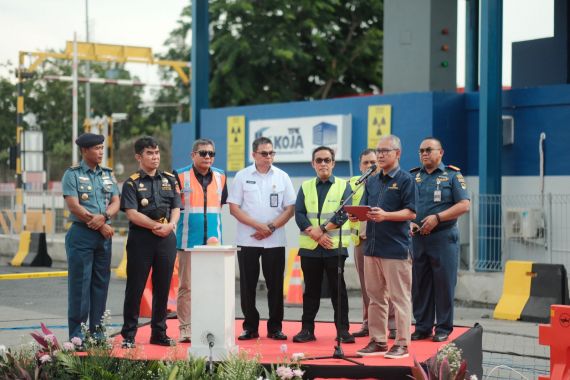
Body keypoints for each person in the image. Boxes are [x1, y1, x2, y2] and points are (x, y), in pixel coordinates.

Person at [355, 135, 417, 359]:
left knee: (399, 299)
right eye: (378, 151)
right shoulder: (371, 180)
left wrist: (386, 216)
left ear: (397, 154)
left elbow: (411, 212)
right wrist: (356, 215)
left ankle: (402, 343)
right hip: (371, 248)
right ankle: (378, 340)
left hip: (395, 249)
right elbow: (363, 206)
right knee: (375, 297)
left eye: (385, 151)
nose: (380, 155)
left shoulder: (405, 180)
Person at [228, 136, 296, 341]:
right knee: (247, 285)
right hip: (247, 239)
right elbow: (233, 208)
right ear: (254, 155)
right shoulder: (242, 176)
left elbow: (290, 208)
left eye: (271, 153)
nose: (268, 157)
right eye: (264, 153)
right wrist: (258, 226)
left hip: (274, 240)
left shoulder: (282, 176)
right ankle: (250, 326)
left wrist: (271, 227)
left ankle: (275, 327)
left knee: (275, 285)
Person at [120, 136, 181, 348]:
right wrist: (155, 226)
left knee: (163, 287)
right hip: (141, 239)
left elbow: (176, 208)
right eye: (150, 153)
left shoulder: (170, 179)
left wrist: (171, 225)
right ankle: (128, 335)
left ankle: (159, 332)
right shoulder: (131, 183)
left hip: (166, 238)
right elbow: (132, 214)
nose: (155, 157)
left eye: (157, 153)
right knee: (135, 287)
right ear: (139, 157)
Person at [292, 146, 355, 344]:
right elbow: (299, 214)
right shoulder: (306, 186)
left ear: (333, 163)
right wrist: (317, 235)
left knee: (338, 291)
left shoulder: (344, 186)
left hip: (334, 248)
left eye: (327, 160)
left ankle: (343, 331)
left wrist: (323, 230)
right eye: (319, 160)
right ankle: (307, 330)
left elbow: (344, 213)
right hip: (311, 248)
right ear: (313, 164)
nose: (323, 164)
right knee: (310, 291)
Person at [410, 137, 470, 343]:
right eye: (421, 150)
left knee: (444, 284)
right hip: (418, 239)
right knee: (420, 284)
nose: (424, 153)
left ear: (441, 152)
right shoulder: (412, 177)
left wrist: (438, 218)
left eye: (429, 149)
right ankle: (423, 326)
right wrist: (409, 222)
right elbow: (405, 206)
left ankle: (443, 327)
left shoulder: (452, 175)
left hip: (444, 238)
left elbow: (464, 205)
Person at [62, 133, 120, 341]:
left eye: (102, 148)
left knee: (100, 284)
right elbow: (74, 205)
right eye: (96, 148)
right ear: (84, 150)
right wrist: (99, 225)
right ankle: (77, 336)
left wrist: (104, 218)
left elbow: (116, 201)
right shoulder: (73, 174)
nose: (100, 152)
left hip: (103, 234)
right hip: (82, 234)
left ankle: (97, 333)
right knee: (80, 285)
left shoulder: (107, 174)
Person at [174, 138, 228, 343]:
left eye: (211, 154)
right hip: (188, 240)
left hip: (214, 243)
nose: (207, 157)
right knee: (186, 287)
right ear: (192, 155)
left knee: (212, 286)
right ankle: (185, 328)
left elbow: (219, 205)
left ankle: (209, 324)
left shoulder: (221, 177)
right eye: (203, 153)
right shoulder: (179, 175)